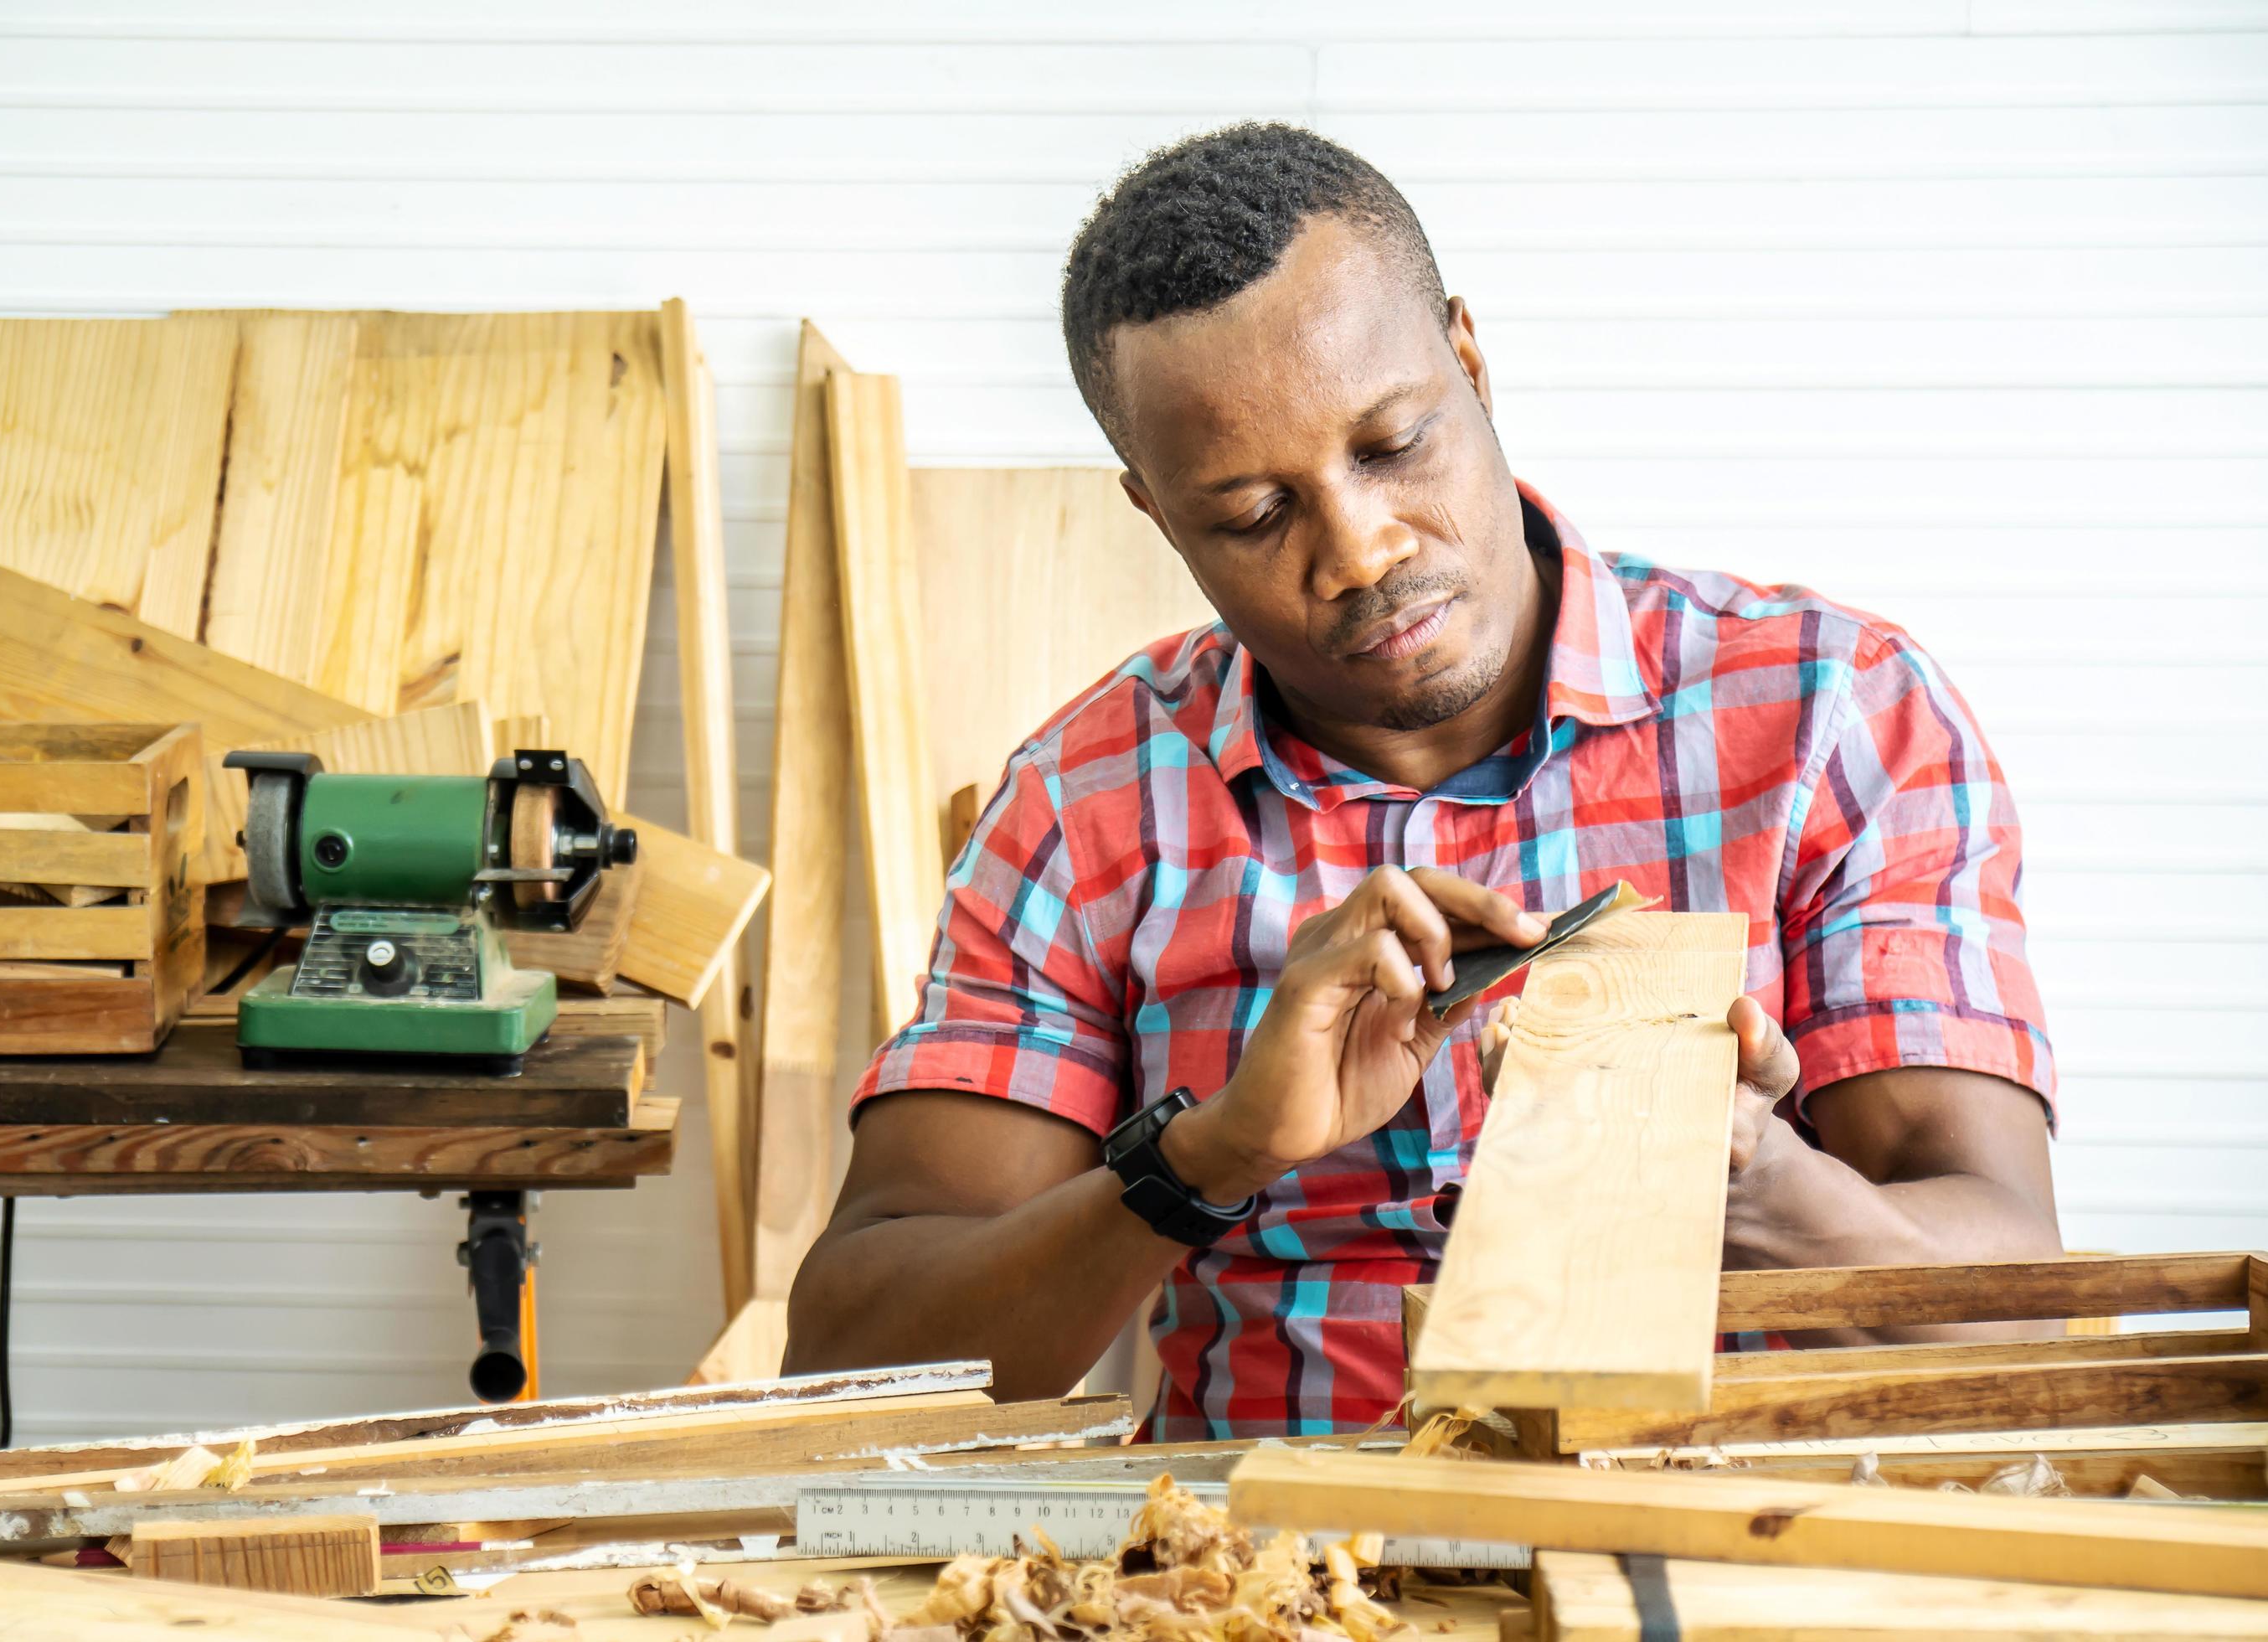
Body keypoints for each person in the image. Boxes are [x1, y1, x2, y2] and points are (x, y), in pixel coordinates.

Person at [785, 123, 2062, 1438]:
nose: (1360, 550)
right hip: (1268, 1572)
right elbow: (851, 1364)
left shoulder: (1831, 719)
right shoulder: (1086, 801)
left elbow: (2032, 1327)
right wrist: (1213, 1151)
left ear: (1468, 358)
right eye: (1253, 516)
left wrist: (1749, 1182)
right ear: (1156, 515)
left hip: (1746, 1553)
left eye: (1393, 444)